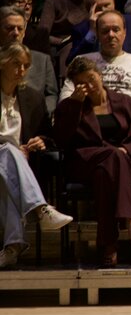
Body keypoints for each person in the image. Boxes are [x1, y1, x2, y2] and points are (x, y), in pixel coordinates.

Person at [54, 55, 131, 267]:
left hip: (118, 166)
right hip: (84, 163)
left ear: (100, 75)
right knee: (112, 156)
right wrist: (75, 105)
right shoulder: (69, 106)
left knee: (105, 172)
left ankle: (108, 246)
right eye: (82, 83)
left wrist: (127, 149)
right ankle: (130, 221)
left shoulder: (126, 102)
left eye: (91, 78)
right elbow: (61, 140)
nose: (89, 86)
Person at [0, 43, 73, 270]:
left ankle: (12, 247)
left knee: (5, 178)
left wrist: (40, 140)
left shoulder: (32, 97)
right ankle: (41, 208)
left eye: (26, 66)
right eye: (16, 64)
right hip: (11, 157)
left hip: (15, 167)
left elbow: (47, 134)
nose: (22, 70)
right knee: (9, 150)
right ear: (2, 64)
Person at [0, 7, 58, 114]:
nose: (16, 33)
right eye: (9, 28)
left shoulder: (42, 60)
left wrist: (41, 113)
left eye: (20, 29)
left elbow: (51, 95)